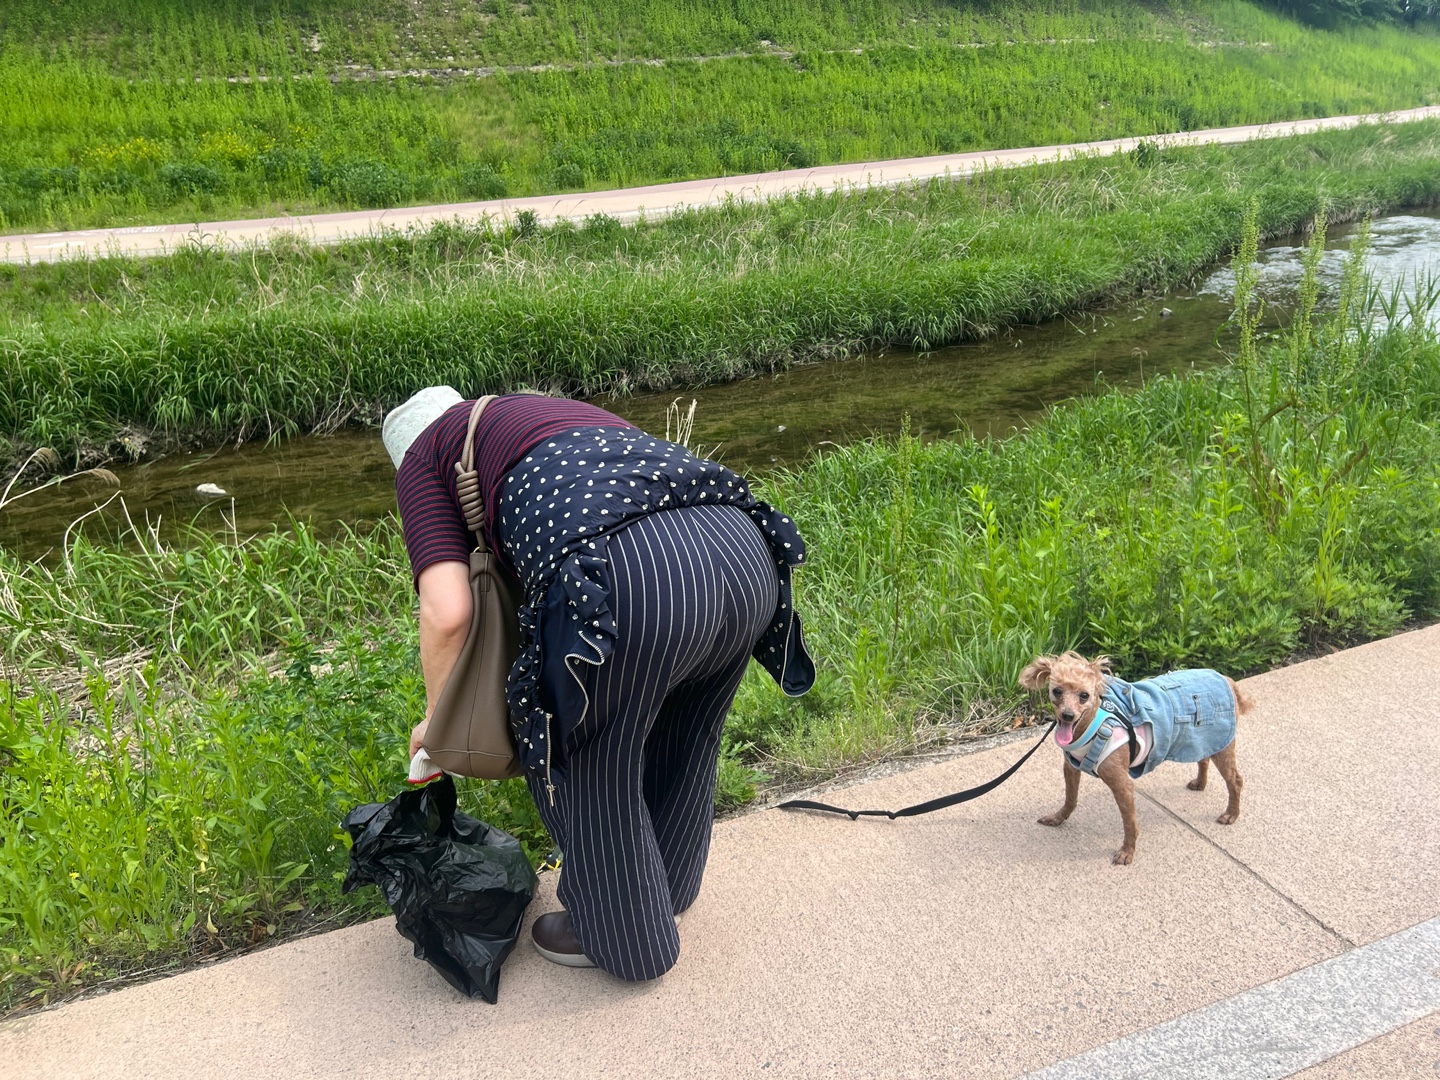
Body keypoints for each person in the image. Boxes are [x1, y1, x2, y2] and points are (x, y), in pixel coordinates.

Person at [382, 386, 814, 981]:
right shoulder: (534, 411)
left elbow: (449, 610)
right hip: (744, 549)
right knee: (686, 729)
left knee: (580, 750)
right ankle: (668, 889)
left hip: (637, 573)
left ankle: (625, 939)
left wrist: (436, 722)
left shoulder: (424, 456)